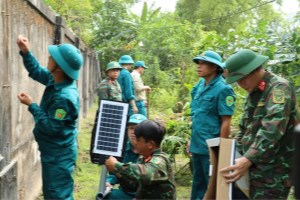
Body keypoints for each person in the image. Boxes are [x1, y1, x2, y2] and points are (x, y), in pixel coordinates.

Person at [220, 49, 298, 200]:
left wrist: (248, 158)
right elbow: (245, 127)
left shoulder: (279, 89)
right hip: (255, 168)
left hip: (274, 172)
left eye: (242, 79)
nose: (240, 84)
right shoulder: (255, 92)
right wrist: (235, 152)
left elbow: (272, 129)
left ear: (254, 70)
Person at [16, 35, 83, 199]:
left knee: (57, 195)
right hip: (54, 152)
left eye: (53, 57)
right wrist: (26, 52)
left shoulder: (64, 98)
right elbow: (37, 71)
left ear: (59, 67)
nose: (49, 57)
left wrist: (32, 105)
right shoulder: (58, 79)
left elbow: (50, 126)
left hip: (59, 155)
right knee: (54, 193)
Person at [189, 50, 236, 199]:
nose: (199, 66)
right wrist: (191, 140)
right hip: (197, 144)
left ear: (215, 67)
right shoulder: (200, 86)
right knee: (198, 184)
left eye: (203, 63)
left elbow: (226, 120)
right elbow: (197, 115)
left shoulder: (224, 89)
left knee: (212, 186)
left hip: (211, 146)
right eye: (198, 63)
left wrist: (220, 149)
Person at [105, 120, 176, 199]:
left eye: (138, 140)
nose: (135, 142)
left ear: (150, 144)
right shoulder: (144, 158)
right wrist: (116, 176)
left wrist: (117, 166)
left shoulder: (160, 161)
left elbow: (146, 174)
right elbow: (134, 184)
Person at [105, 114, 147, 199]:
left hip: (144, 195)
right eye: (131, 128)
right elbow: (114, 172)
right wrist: (108, 182)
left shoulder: (148, 150)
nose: (133, 132)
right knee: (103, 196)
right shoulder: (121, 149)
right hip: (125, 193)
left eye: (137, 129)